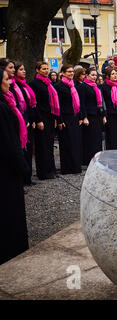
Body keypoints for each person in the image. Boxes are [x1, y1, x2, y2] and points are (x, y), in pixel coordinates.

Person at [0, 67, 30, 265]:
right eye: (5, 79)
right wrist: (24, 168)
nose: (9, 82)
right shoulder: (2, 108)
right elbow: (9, 143)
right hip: (6, 171)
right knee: (10, 212)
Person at [29, 61, 58, 180]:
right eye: (43, 69)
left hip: (50, 117)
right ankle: (43, 172)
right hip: (42, 117)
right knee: (42, 145)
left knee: (50, 144)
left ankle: (51, 169)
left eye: (47, 68)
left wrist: (55, 117)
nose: (46, 71)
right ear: (37, 70)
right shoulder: (34, 84)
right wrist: (38, 120)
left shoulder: (49, 83)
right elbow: (34, 104)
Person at [53, 64, 82, 175]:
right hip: (65, 118)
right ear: (63, 73)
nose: (71, 73)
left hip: (74, 117)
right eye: (69, 71)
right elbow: (58, 105)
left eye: (72, 71)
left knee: (75, 143)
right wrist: (59, 120)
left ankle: (75, 167)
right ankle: (66, 168)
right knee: (66, 143)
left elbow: (77, 103)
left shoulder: (73, 85)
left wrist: (79, 117)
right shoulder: (59, 86)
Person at [14, 62, 37, 186]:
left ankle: (28, 178)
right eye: (21, 69)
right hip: (22, 121)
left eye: (24, 69)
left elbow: (30, 104)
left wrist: (32, 119)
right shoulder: (15, 85)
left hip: (28, 120)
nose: (24, 71)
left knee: (28, 151)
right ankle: (23, 179)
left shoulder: (24, 85)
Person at [78, 67, 105, 165]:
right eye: (92, 75)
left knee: (97, 139)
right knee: (89, 139)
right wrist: (84, 117)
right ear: (87, 75)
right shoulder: (83, 86)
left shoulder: (95, 86)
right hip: (89, 116)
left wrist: (103, 115)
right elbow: (82, 103)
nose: (94, 77)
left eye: (95, 75)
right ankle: (88, 160)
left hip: (97, 115)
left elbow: (100, 102)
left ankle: (97, 159)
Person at [101, 67, 117, 150]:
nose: (115, 75)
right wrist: (104, 115)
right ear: (108, 76)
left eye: (116, 73)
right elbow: (103, 101)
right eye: (113, 74)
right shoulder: (104, 87)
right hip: (110, 115)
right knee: (111, 136)